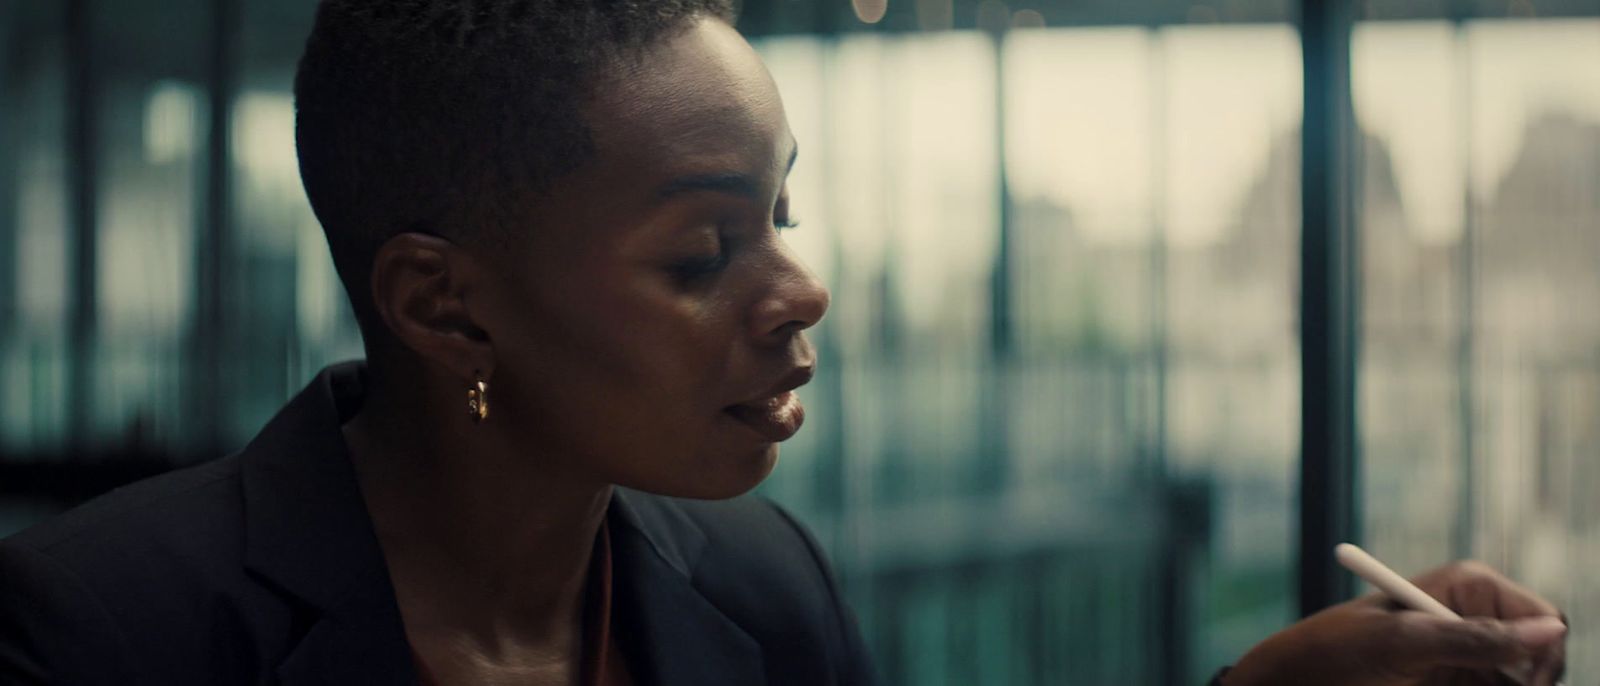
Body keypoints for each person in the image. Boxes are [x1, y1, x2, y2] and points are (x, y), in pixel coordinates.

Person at [0, 1, 1568, 684]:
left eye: (783, 213)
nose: (800, 288)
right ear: (440, 303)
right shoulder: (94, 636)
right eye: (703, 248)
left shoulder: (762, 589)